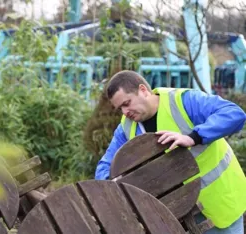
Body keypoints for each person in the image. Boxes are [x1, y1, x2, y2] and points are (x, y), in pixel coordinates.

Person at [95, 70, 246, 234]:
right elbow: (105, 165)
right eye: (120, 109)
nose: (125, 112)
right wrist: (111, 183)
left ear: (143, 90)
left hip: (218, 204)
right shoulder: (126, 128)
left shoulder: (183, 102)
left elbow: (233, 114)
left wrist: (193, 137)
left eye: (127, 103)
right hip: (175, 215)